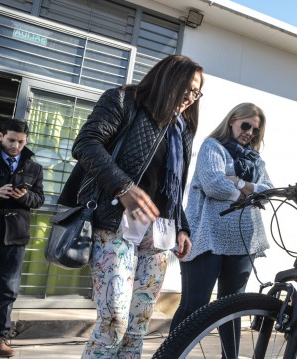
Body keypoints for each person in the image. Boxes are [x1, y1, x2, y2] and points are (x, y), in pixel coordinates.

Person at [58, 54, 203, 358]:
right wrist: (122, 186)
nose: (191, 98)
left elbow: (171, 188)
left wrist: (183, 226)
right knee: (114, 324)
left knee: (137, 329)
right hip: (115, 225)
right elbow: (86, 144)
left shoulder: (182, 130)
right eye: (187, 88)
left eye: (197, 92)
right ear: (168, 79)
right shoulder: (123, 100)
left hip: (160, 234)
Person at [170, 102, 273, 358]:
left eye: (255, 130)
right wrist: (249, 192)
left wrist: (237, 181)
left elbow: (268, 193)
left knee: (232, 308)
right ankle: (170, 354)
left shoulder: (255, 160)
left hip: (242, 241)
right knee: (194, 306)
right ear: (232, 121)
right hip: (206, 238)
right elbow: (214, 184)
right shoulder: (212, 147)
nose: (249, 132)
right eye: (245, 125)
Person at [0, 119, 44, 358]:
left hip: (15, 235)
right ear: (0, 136)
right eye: (11, 140)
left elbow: (39, 199)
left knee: (7, 290)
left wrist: (25, 196)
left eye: (21, 141)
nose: (16, 145)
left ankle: (0, 338)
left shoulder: (34, 167)